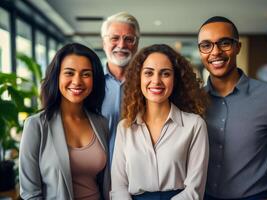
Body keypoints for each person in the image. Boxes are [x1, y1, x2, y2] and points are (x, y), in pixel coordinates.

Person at [198, 16, 267, 200]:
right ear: (200, 51)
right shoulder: (194, 101)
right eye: (206, 45)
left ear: (237, 47)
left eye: (224, 43)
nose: (215, 52)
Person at [110, 44, 209, 200]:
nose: (156, 81)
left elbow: (194, 190)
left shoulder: (194, 125)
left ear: (175, 80)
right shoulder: (125, 127)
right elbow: (118, 187)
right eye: (148, 73)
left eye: (165, 74)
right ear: (139, 78)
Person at [19, 43, 110, 200]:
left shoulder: (100, 123)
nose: (77, 81)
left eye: (86, 74)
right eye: (69, 73)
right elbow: (30, 193)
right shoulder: (36, 125)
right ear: (57, 76)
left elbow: (105, 182)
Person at [100, 12, 140, 161]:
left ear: (136, 44)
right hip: (96, 176)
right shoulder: (90, 84)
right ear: (104, 44)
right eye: (114, 38)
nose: (121, 45)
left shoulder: (148, 86)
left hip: (137, 175)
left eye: (129, 39)